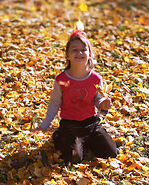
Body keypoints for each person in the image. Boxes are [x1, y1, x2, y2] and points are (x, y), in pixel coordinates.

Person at [36, 30, 118, 163]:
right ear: (67, 55)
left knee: (110, 153)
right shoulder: (62, 80)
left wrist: (102, 103)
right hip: (70, 126)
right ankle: (60, 136)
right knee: (74, 158)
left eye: (83, 50)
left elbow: (98, 98)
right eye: (74, 50)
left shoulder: (95, 78)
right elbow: (55, 102)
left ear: (89, 54)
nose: (79, 53)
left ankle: (86, 142)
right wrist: (46, 123)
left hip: (91, 123)